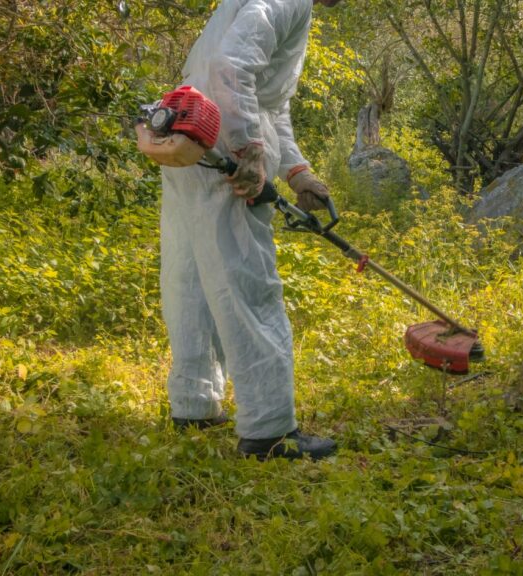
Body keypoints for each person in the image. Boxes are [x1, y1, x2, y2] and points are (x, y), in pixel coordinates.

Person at [160, 0, 341, 460]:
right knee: (248, 282)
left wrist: (298, 172)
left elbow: (266, 99)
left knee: (192, 277)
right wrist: (249, 150)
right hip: (221, 143)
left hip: (189, 137)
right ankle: (270, 430)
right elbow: (230, 69)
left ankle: (194, 402)